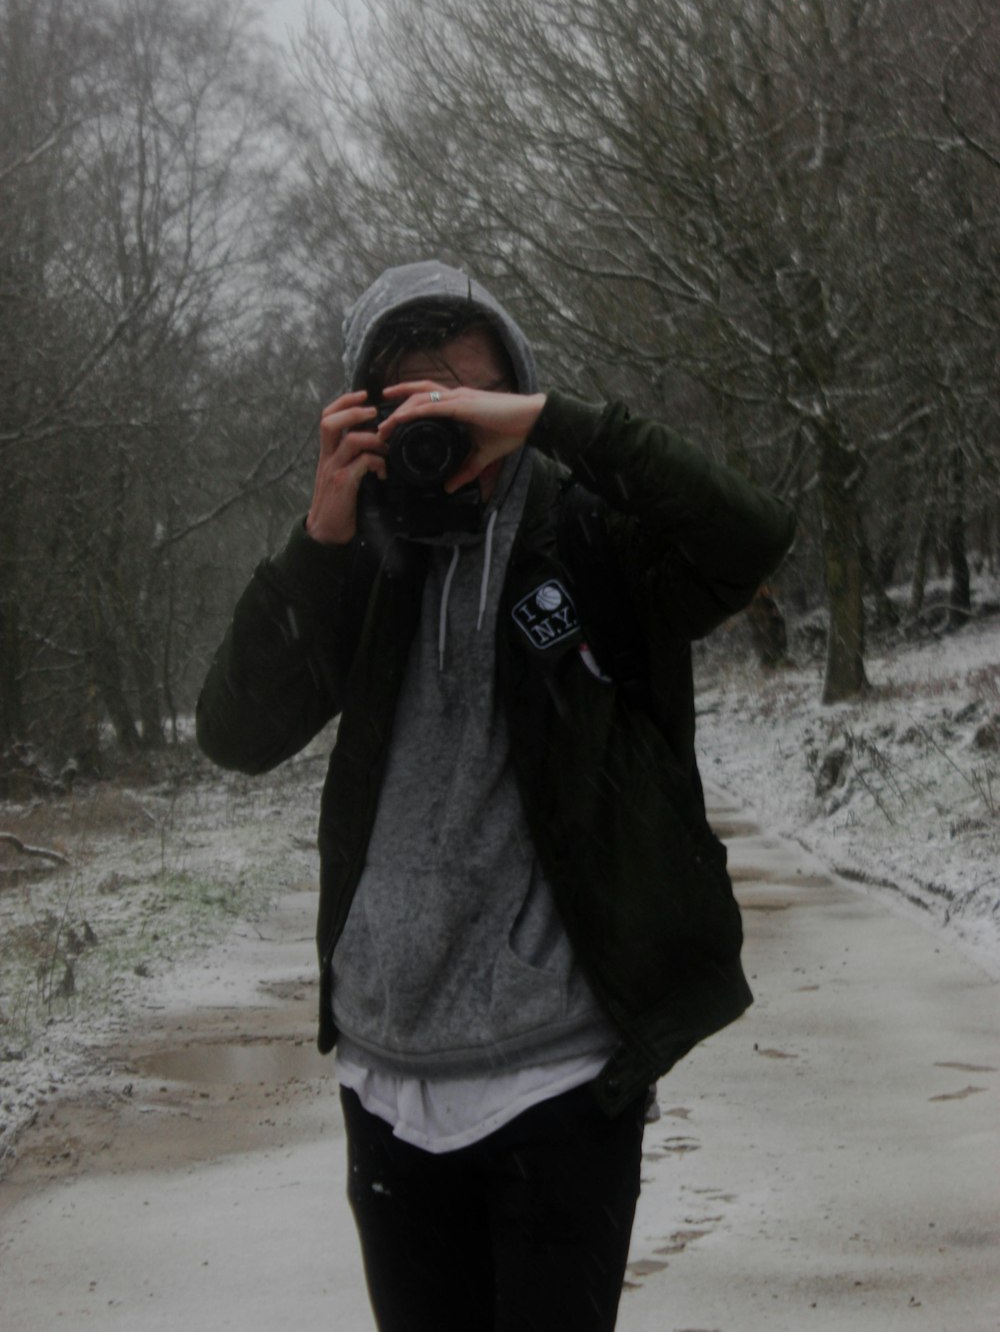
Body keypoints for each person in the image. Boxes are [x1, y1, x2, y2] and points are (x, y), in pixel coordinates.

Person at [196, 260, 796, 1332]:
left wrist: (550, 423)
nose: (447, 440)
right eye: (414, 409)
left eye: (465, 402)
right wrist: (319, 538)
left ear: (511, 393)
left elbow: (750, 536)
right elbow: (233, 734)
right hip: (385, 1077)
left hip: (557, 1079)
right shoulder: (361, 563)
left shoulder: (590, 536)